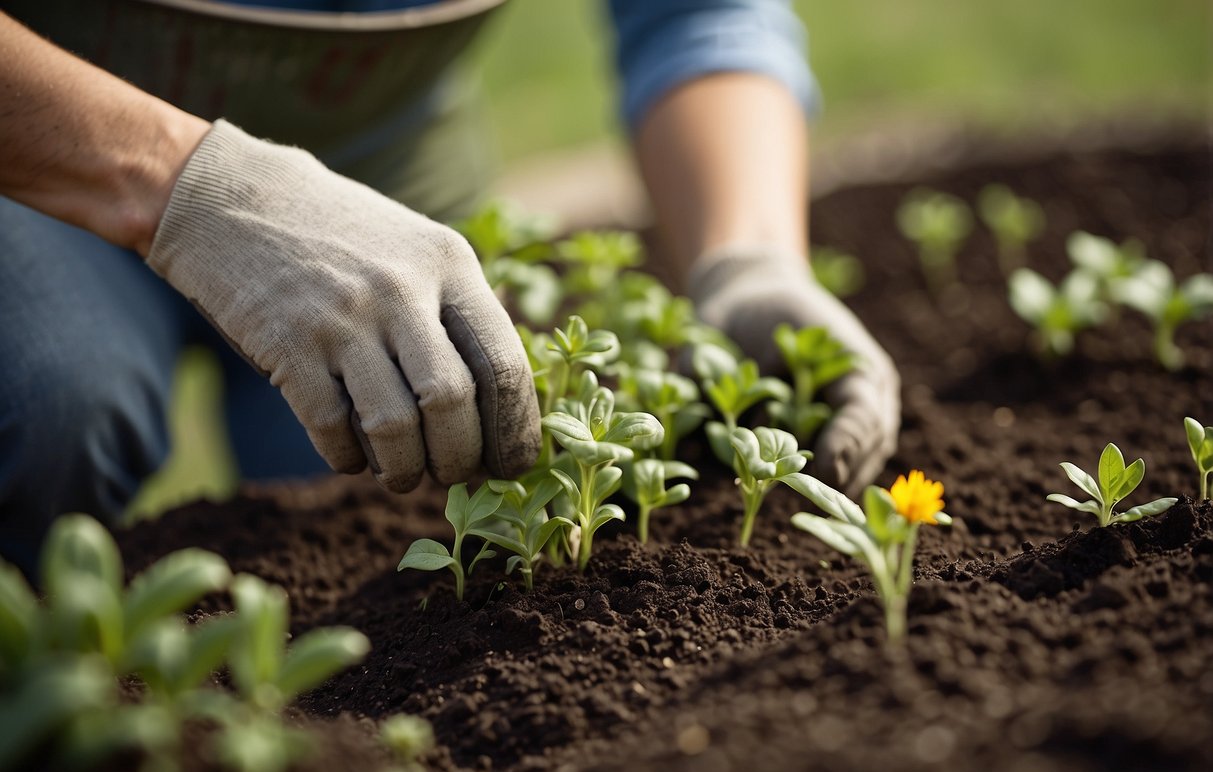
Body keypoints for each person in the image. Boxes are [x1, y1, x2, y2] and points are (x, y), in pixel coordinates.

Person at [0, 0, 899, 573]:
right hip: (32, 153)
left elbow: (695, 14)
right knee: (49, 399)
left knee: (400, 527)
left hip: (379, 167)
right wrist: (189, 186)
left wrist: (747, 257)